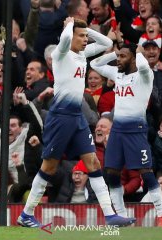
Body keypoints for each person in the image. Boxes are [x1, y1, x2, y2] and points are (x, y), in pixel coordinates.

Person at [17, 17, 136, 228]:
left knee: (93, 162)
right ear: (69, 36)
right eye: (80, 37)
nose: (85, 40)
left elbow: (105, 43)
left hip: (77, 118)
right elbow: (64, 41)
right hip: (60, 117)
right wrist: (69, 26)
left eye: (85, 36)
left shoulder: (82, 54)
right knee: (49, 166)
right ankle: (26, 214)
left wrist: (83, 29)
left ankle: (110, 215)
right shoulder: (60, 54)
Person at [90, 43, 162, 226]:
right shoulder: (117, 74)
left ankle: (161, 215)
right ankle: (121, 217)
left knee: (146, 173)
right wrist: (113, 53)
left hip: (136, 131)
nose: (118, 60)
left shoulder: (144, 76)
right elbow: (95, 65)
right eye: (118, 56)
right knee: (112, 174)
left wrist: (139, 53)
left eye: (123, 56)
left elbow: (144, 66)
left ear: (133, 58)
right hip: (116, 132)